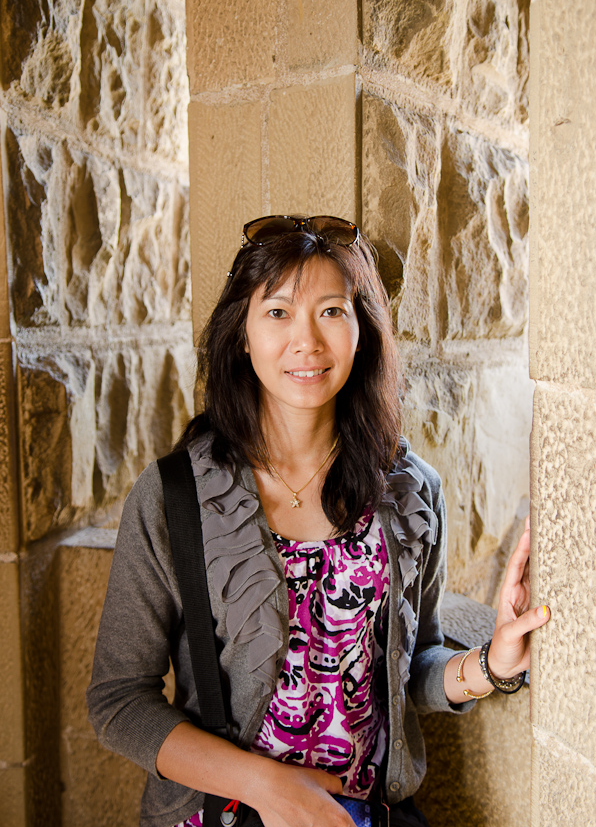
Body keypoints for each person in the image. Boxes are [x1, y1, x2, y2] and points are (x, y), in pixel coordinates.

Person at [87, 215, 550, 827]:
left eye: (332, 311)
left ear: (363, 332)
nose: (306, 341)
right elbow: (119, 701)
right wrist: (267, 786)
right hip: (220, 816)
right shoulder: (174, 497)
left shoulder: (412, 492)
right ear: (241, 336)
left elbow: (413, 669)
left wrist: (492, 664)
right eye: (277, 312)